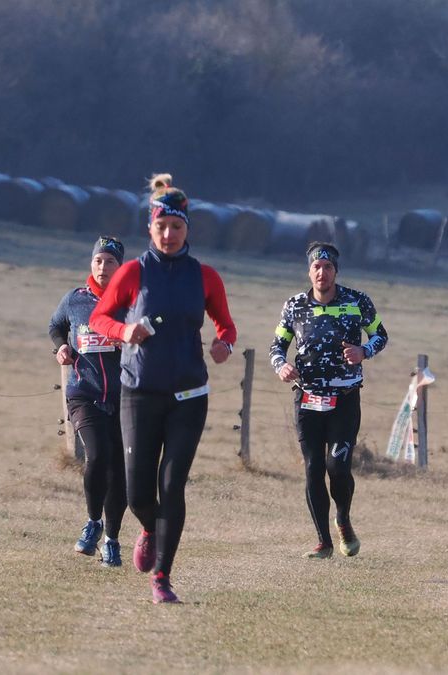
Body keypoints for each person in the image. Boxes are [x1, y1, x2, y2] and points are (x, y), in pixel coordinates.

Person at [89, 173, 236, 604]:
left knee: (172, 485)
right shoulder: (132, 272)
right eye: (161, 227)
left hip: (189, 396)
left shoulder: (204, 276)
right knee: (138, 492)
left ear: (187, 228)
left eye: (176, 227)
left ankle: (162, 577)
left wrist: (224, 344)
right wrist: (124, 330)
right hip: (139, 391)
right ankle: (149, 528)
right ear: (149, 228)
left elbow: (226, 325)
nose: (169, 235)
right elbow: (99, 318)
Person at [269, 242, 388, 559]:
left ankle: (343, 519)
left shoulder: (357, 302)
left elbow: (380, 335)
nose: (322, 272)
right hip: (307, 398)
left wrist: (364, 351)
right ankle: (323, 541)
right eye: (317, 267)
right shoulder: (294, 306)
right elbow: (277, 346)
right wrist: (281, 366)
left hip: (344, 399)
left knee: (338, 467)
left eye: (328, 267)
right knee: (313, 468)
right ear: (309, 271)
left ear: (336, 271)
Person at [48, 236, 128, 567]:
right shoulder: (75, 299)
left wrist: (132, 344)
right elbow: (56, 325)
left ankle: (112, 541)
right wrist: (61, 347)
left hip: (125, 399)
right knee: (97, 456)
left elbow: (152, 334)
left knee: (120, 470)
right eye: (98, 260)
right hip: (85, 393)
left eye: (110, 261)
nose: (103, 267)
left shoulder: (132, 302)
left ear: (121, 267)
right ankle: (93, 523)